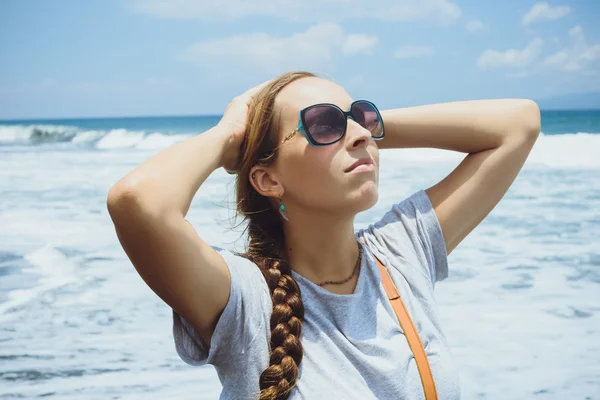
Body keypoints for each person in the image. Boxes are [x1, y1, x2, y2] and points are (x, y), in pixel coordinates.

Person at [107, 71, 541, 399]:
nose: (358, 135)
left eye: (361, 118)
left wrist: (362, 129)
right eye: (322, 124)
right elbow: (137, 201)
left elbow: (518, 124)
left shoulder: (402, 254)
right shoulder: (245, 301)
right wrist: (230, 135)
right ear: (267, 178)